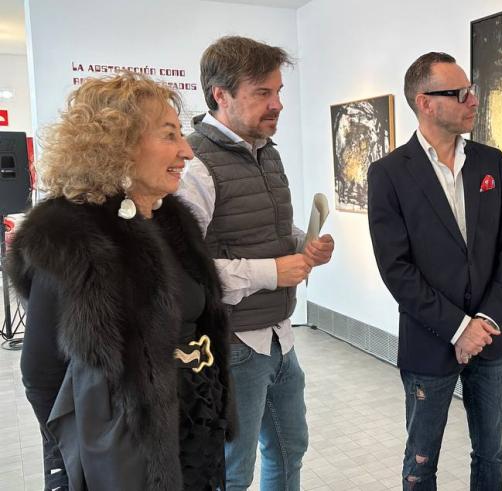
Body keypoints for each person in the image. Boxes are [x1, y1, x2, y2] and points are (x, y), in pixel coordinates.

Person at [6, 72, 232, 490]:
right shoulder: (71, 235)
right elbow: (41, 372)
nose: (186, 151)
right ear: (117, 144)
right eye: (169, 135)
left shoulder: (172, 220)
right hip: (128, 459)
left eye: (182, 135)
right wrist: (67, 464)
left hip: (196, 431)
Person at [176, 36, 333, 491]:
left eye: (279, 91)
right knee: (233, 470)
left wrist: (305, 245)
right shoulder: (194, 166)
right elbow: (186, 271)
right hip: (231, 343)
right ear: (220, 95)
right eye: (262, 93)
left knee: (289, 449)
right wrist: (273, 272)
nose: (278, 104)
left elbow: (265, 232)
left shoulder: (267, 151)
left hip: (280, 337)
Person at [367, 52, 502, 491]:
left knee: (491, 452)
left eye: (471, 90)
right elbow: (396, 269)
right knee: (421, 460)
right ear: (426, 103)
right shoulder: (389, 175)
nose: (473, 100)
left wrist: (486, 321)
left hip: (491, 337)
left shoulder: (490, 162)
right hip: (429, 339)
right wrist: (459, 329)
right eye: (460, 93)